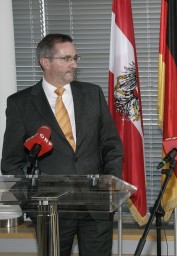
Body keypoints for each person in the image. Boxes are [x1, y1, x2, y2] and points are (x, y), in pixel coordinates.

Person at [1, 33, 124, 256]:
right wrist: (33, 207)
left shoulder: (92, 93)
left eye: (75, 57)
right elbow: (11, 163)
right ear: (45, 62)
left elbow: (111, 145)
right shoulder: (20, 103)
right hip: (51, 212)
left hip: (95, 210)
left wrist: (108, 189)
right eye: (66, 58)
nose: (74, 64)